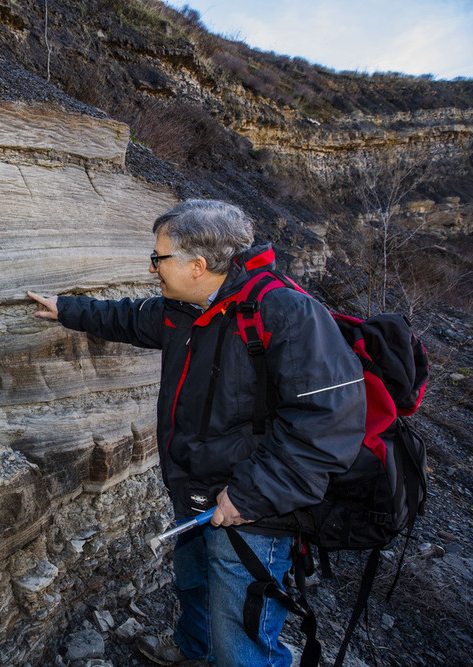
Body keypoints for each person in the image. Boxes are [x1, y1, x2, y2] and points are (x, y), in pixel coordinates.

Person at [27, 199, 366, 667]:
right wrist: (66, 308)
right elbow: (126, 317)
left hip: (254, 510)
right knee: (194, 588)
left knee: (240, 640)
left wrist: (250, 497)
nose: (152, 269)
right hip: (195, 492)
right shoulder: (185, 309)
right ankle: (194, 653)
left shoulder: (286, 314)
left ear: (197, 265)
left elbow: (329, 423)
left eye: (158, 258)